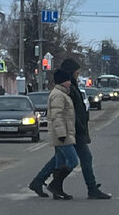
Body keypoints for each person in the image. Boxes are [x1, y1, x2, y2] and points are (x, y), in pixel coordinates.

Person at [26, 57, 111, 200]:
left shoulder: (72, 86)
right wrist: (68, 130)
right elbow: (62, 113)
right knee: (81, 158)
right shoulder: (66, 89)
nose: (78, 73)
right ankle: (89, 188)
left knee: (59, 160)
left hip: (74, 129)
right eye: (77, 71)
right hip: (72, 130)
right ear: (70, 72)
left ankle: (40, 182)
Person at [43, 68, 80, 200]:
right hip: (62, 135)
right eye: (68, 80)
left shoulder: (62, 93)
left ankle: (57, 191)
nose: (70, 82)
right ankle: (55, 185)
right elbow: (57, 116)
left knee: (60, 162)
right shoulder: (59, 95)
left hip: (61, 134)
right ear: (62, 81)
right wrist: (62, 134)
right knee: (73, 160)